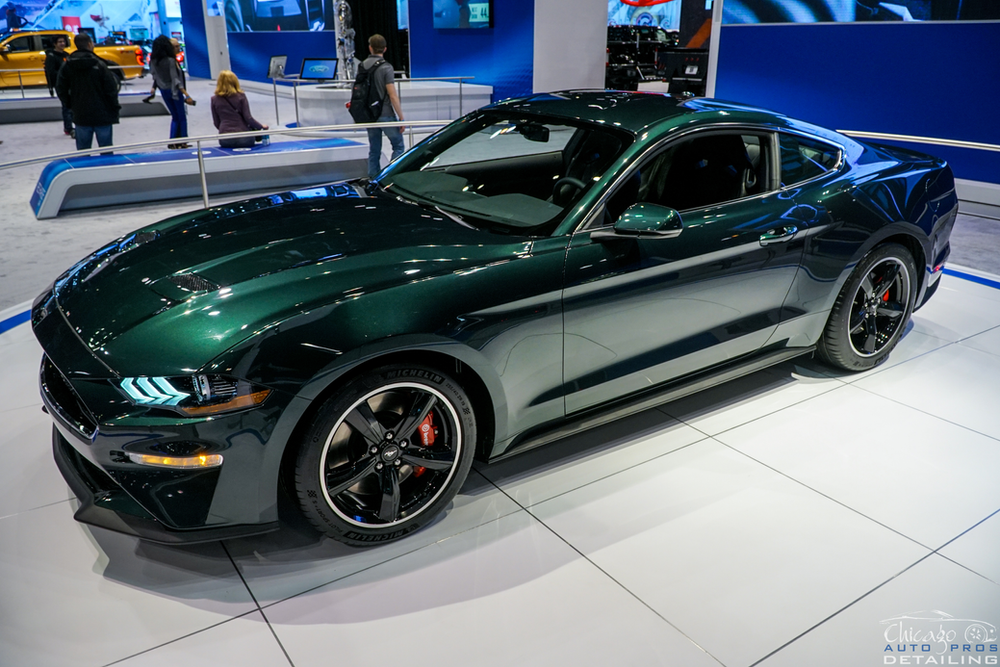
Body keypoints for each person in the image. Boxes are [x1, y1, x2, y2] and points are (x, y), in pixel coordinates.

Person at [55, 33, 120, 152]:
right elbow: (111, 89)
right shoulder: (99, 64)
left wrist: (70, 104)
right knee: (106, 151)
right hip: (102, 113)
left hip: (80, 113)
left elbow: (60, 88)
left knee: (83, 151)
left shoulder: (67, 65)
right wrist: (114, 108)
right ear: (90, 44)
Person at [357, 33, 405, 179]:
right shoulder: (387, 67)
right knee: (398, 146)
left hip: (369, 115)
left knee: (374, 149)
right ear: (384, 49)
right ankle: (390, 176)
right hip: (385, 113)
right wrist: (401, 117)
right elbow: (392, 95)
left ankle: (373, 177)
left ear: (370, 48)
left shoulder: (362, 65)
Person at [149, 35, 195, 149]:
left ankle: (173, 140)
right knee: (181, 116)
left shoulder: (154, 61)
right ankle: (183, 140)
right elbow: (176, 80)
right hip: (174, 91)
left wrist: (154, 88)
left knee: (175, 116)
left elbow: (155, 77)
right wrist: (187, 95)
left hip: (164, 90)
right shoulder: (170, 61)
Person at [211, 70, 268, 148]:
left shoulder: (214, 99)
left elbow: (216, 122)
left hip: (225, 138)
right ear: (234, 81)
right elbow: (248, 118)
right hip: (244, 137)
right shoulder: (241, 96)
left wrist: (226, 129)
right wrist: (261, 126)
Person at [44, 35, 74, 138]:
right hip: (61, 85)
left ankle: (72, 125)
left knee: (71, 105)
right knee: (66, 106)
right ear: (55, 44)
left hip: (70, 83)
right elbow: (51, 72)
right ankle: (68, 127)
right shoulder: (52, 56)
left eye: (63, 41)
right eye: (60, 42)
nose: (62, 44)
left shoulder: (66, 55)